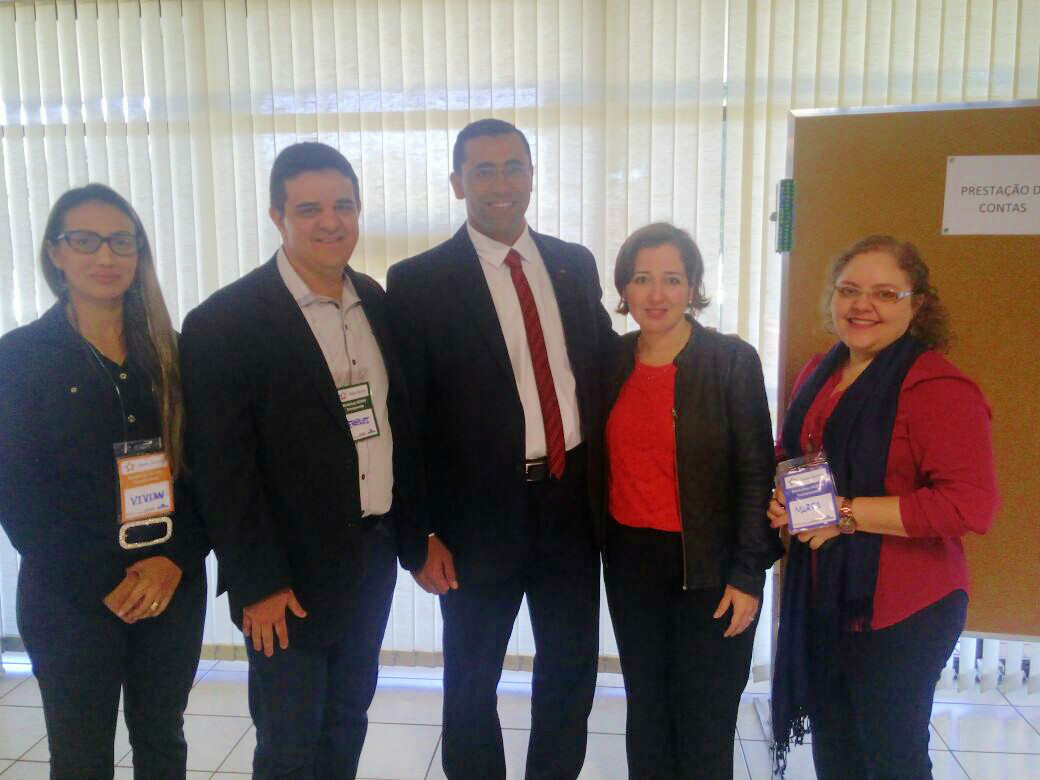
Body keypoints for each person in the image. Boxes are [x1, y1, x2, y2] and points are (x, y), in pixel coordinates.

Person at [179, 142, 425, 780]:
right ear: (277, 217)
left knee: (347, 720)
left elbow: (397, 425)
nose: (330, 221)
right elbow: (222, 472)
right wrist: (257, 582)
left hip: (372, 554)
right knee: (289, 741)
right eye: (309, 208)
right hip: (286, 573)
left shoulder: (374, 301)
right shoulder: (224, 322)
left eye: (343, 205)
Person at [386, 118, 617, 780]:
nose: (500, 182)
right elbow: (408, 418)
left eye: (514, 166)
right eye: (482, 170)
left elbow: (604, 366)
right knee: (471, 679)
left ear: (532, 176)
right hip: (474, 517)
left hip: (571, 505)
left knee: (570, 670)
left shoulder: (573, 264)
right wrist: (418, 532)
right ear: (457, 183)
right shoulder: (419, 282)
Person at [769, 235, 1000, 780]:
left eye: (885, 293)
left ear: (917, 305)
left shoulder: (937, 387)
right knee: (837, 751)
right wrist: (784, 499)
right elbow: (794, 453)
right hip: (827, 596)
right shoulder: (820, 372)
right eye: (848, 290)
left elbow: (970, 506)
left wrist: (843, 514)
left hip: (905, 607)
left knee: (891, 757)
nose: (862, 305)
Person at [0, 183, 209, 779]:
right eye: (85, 241)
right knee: (81, 754)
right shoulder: (20, 358)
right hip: (71, 595)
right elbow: (18, 494)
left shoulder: (174, 354)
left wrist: (174, 560)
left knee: (162, 739)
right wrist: (107, 579)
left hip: (170, 582)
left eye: (121, 241)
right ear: (55, 252)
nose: (106, 256)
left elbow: (207, 474)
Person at [602, 222, 779, 780]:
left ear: (693, 287)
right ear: (623, 289)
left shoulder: (730, 361)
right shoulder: (610, 361)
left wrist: (748, 574)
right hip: (631, 565)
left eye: (672, 279)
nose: (656, 294)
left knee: (704, 721)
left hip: (711, 567)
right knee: (648, 713)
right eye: (642, 279)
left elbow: (756, 473)